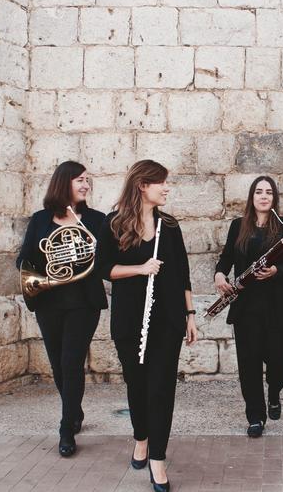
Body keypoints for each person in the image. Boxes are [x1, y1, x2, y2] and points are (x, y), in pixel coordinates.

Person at [98, 159, 197, 492]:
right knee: (137, 385)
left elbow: (182, 273)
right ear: (143, 185)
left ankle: (157, 458)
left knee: (161, 389)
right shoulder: (114, 223)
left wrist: (190, 314)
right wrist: (141, 268)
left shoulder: (169, 225)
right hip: (129, 320)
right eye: (162, 183)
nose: (167, 188)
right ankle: (141, 437)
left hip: (167, 320)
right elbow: (105, 269)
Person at [16, 161, 107, 458]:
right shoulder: (41, 219)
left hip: (84, 302)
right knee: (58, 366)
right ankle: (74, 410)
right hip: (49, 301)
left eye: (87, 181)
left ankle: (66, 428)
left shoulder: (95, 220)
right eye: (80, 180)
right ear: (63, 182)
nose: (85, 185)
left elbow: (106, 262)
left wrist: (96, 252)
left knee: (71, 362)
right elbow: (23, 260)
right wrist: (48, 273)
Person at [214, 176, 283, 438]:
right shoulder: (238, 226)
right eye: (258, 192)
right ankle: (255, 416)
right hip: (247, 307)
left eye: (268, 192)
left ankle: (274, 392)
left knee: (279, 359)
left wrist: (277, 270)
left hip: (279, 306)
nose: (264, 196)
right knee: (249, 364)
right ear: (252, 197)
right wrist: (220, 275)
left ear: (274, 197)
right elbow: (226, 258)